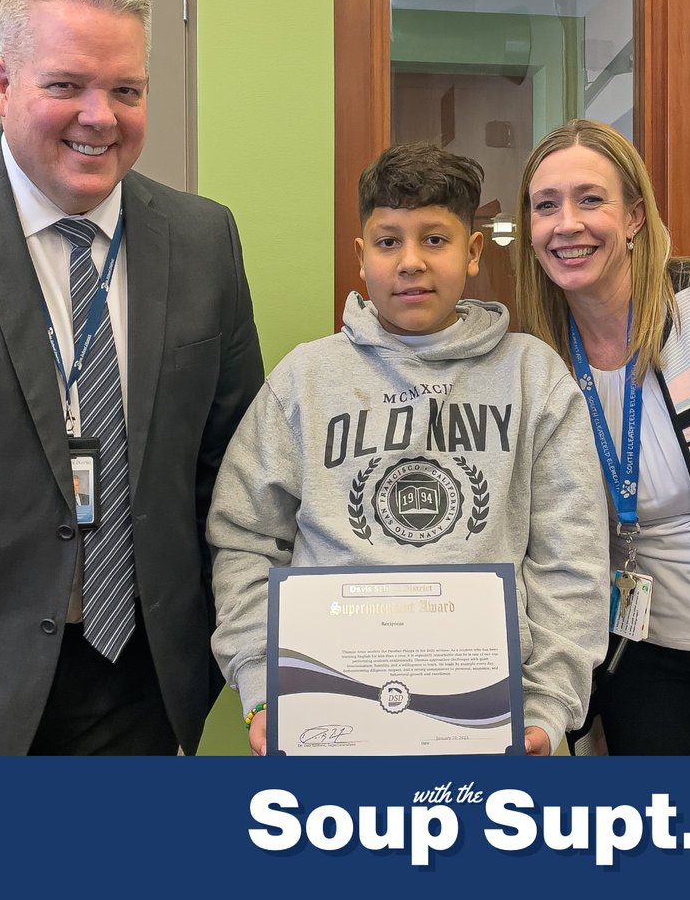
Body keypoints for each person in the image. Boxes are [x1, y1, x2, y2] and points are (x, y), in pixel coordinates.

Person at [0, 0, 263, 755]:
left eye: (126, 90)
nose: (99, 117)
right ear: (3, 82)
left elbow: (236, 467)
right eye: (66, 85)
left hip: (141, 679)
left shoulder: (202, 238)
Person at [208, 141, 609, 757]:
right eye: (389, 241)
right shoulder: (304, 381)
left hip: (489, 720)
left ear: (473, 252)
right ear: (361, 256)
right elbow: (245, 536)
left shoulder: (535, 380)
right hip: (329, 719)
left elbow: (570, 557)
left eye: (435, 239)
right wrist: (262, 681)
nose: (411, 262)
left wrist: (549, 700)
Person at [515, 118, 690, 755]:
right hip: (633, 656)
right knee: (665, 840)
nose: (566, 224)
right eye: (545, 206)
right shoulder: (538, 360)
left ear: (635, 216)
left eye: (591, 199)